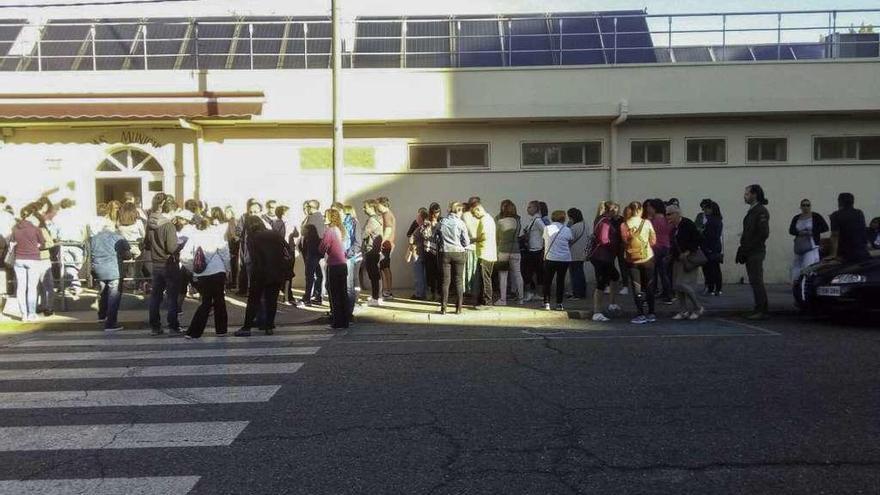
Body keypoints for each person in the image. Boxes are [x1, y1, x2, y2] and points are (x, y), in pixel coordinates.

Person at [235, 216, 289, 336]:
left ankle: (246, 327)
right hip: (276, 271)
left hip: (259, 272)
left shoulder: (252, 238)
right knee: (272, 301)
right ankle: (269, 326)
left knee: (253, 300)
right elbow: (287, 251)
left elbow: (251, 258)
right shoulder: (275, 234)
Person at [146, 196, 182, 336]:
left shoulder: (150, 222)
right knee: (172, 297)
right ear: (171, 210)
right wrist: (181, 244)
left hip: (155, 263)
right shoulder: (168, 225)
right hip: (169, 263)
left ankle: (155, 326)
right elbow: (172, 248)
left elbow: (147, 245)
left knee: (155, 297)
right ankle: (173, 326)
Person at [736, 184, 771, 320]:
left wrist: (748, 248)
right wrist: (743, 248)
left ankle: (762, 309)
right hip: (749, 250)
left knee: (756, 280)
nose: (745, 196)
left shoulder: (760, 211)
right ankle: (759, 307)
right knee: (753, 280)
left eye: (747, 193)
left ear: (754, 194)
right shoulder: (752, 211)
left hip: (755, 251)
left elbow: (763, 233)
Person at [89, 222, 131, 332]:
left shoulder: (93, 239)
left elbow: (88, 254)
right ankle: (111, 323)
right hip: (114, 269)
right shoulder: (118, 237)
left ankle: (102, 316)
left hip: (99, 269)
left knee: (103, 292)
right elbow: (128, 255)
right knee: (113, 296)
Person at [621, 201, 657, 324]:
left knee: (637, 287)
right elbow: (653, 241)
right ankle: (651, 313)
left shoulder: (624, 225)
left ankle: (640, 313)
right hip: (647, 258)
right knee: (650, 285)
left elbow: (624, 242)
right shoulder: (647, 222)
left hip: (632, 260)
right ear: (641, 210)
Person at [667, 205, 705, 320]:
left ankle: (698, 307)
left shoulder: (687, 224)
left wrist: (688, 252)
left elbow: (697, 239)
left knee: (684, 285)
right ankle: (683, 310)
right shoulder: (674, 228)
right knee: (677, 286)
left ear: (677, 214)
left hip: (689, 259)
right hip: (678, 259)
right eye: (666, 214)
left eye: (669, 214)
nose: (667, 216)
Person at [11, 203, 45, 322]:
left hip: (19, 259)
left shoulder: (15, 228)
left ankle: (23, 315)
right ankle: (31, 314)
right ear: (30, 216)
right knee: (32, 288)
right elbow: (42, 244)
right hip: (33, 259)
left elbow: (13, 242)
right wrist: (37, 245)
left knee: (21, 288)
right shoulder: (35, 229)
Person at [589, 202, 621, 322]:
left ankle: (612, 303)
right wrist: (614, 246)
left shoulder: (599, 219)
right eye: (616, 210)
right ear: (611, 211)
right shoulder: (605, 222)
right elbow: (604, 239)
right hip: (602, 256)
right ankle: (597, 312)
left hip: (602, 256)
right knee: (601, 283)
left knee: (615, 276)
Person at [437, 202, 470, 315]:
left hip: (445, 252)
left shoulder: (442, 222)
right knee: (458, 280)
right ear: (459, 211)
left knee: (445, 282)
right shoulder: (461, 223)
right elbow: (466, 242)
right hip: (458, 253)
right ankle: (458, 308)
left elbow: (435, 236)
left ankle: (443, 307)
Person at [320, 209, 350, 330]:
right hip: (342, 263)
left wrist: (322, 250)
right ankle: (345, 320)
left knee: (334, 293)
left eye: (325, 216)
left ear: (330, 217)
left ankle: (337, 321)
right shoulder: (340, 229)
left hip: (333, 264)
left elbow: (322, 246)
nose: (323, 218)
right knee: (342, 293)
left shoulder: (330, 230)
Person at [789, 198, 829, 283]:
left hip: (812, 244)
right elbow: (791, 230)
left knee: (809, 265)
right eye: (803, 205)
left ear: (810, 206)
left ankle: (807, 283)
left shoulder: (816, 216)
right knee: (797, 265)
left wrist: (812, 232)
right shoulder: (796, 217)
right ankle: (796, 283)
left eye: (808, 205)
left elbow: (825, 228)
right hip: (799, 244)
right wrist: (799, 233)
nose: (806, 207)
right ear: (800, 207)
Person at [53, 198, 86, 298]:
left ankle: (69, 286)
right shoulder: (79, 215)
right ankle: (73, 286)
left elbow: (53, 234)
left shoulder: (57, 217)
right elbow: (84, 230)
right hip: (78, 244)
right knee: (74, 266)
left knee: (67, 266)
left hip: (63, 244)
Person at [542, 210, 572, 311]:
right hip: (564, 259)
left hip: (550, 258)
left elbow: (545, 239)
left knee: (547, 281)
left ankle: (547, 303)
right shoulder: (567, 229)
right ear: (564, 219)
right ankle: (559, 304)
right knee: (560, 281)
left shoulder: (547, 228)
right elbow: (570, 240)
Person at [828, 192, 870, 264]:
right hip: (861, 250)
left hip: (845, 253)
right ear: (852, 202)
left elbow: (835, 235)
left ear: (840, 202)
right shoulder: (859, 213)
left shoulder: (836, 215)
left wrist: (833, 254)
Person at [495, 200, 523, 306]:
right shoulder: (518, 221)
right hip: (516, 250)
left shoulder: (500, 221)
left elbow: (496, 236)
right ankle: (520, 298)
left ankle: (503, 300)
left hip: (503, 250)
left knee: (503, 276)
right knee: (518, 274)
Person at [646, 199, 673, 304]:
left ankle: (661, 294)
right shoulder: (666, 219)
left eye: (650, 207)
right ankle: (667, 293)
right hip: (666, 247)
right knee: (663, 273)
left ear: (655, 208)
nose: (648, 209)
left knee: (655, 273)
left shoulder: (654, 220)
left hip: (656, 248)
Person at [472, 202, 497, 310]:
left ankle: (487, 301)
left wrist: (472, 239)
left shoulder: (484, 220)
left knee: (485, 279)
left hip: (485, 253)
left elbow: (483, 236)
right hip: (489, 253)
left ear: (478, 210)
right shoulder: (490, 218)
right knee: (485, 278)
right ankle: (483, 300)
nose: (474, 216)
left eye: (474, 213)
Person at [520, 200, 546, 302]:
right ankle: (532, 293)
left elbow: (545, 232)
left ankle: (537, 293)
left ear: (535, 208)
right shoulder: (533, 220)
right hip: (531, 249)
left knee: (536, 272)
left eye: (530, 207)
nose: (528, 209)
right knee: (530, 272)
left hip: (537, 249)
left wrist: (542, 244)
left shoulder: (538, 220)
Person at [117, 202, 146, 291]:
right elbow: (143, 235)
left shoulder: (119, 223)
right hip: (137, 248)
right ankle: (138, 286)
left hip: (125, 249)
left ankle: (128, 283)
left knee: (127, 267)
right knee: (137, 268)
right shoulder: (138, 222)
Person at [301, 200, 325, 305]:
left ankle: (307, 298)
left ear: (312, 207)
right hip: (317, 250)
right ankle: (317, 295)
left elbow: (303, 232)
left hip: (312, 249)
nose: (306, 208)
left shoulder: (313, 217)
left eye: (308, 206)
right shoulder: (318, 217)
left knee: (310, 274)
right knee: (318, 273)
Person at [361, 200, 384, 306]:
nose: (364, 209)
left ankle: (376, 298)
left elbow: (364, 234)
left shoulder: (372, 220)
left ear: (371, 207)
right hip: (376, 250)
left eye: (365, 207)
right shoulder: (378, 218)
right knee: (376, 274)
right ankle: (377, 296)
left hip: (371, 250)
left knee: (374, 275)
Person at [275, 205, 298, 305]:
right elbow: (296, 234)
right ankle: (287, 297)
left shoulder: (275, 223)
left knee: (284, 274)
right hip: (287, 251)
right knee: (288, 275)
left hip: (282, 251)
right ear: (284, 213)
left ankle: (288, 296)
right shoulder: (286, 224)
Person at [566, 208, 590, 300]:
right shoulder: (585, 225)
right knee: (580, 273)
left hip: (573, 253)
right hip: (582, 252)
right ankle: (582, 292)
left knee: (575, 274)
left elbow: (569, 239)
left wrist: (567, 227)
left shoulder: (574, 227)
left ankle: (577, 294)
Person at [342, 204, 362, 317]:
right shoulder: (345, 222)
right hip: (345, 256)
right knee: (348, 282)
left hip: (351, 256)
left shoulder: (353, 222)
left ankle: (350, 308)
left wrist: (348, 253)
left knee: (351, 282)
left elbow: (357, 241)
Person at [701, 201, 724, 296]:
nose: (705, 210)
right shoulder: (716, 220)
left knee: (712, 269)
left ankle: (714, 288)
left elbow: (711, 235)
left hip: (711, 248)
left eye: (707, 208)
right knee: (713, 268)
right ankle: (715, 288)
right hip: (713, 247)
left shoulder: (712, 221)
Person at [419, 203, 442, 302]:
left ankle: (439, 293)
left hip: (439, 250)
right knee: (430, 273)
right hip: (429, 250)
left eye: (437, 212)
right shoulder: (426, 222)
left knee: (439, 273)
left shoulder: (442, 221)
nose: (435, 215)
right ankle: (432, 292)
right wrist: (429, 227)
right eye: (433, 213)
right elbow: (424, 235)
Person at [460, 197, 481, 299]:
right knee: (475, 271)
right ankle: (474, 292)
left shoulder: (464, 215)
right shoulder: (478, 216)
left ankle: (467, 292)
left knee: (466, 271)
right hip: (477, 246)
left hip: (467, 246)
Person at [376, 197, 396, 299]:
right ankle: (387, 291)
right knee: (385, 268)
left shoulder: (387, 215)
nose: (376, 206)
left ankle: (387, 291)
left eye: (377, 204)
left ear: (382, 204)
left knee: (384, 268)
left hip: (386, 245)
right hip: (388, 245)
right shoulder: (386, 214)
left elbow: (388, 230)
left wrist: (381, 242)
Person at [406, 207, 428, 300]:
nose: (416, 219)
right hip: (425, 254)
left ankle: (419, 294)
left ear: (421, 219)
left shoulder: (419, 229)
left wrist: (411, 246)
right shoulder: (427, 227)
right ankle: (423, 292)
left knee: (418, 275)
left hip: (418, 254)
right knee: (423, 275)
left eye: (418, 218)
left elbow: (411, 239)